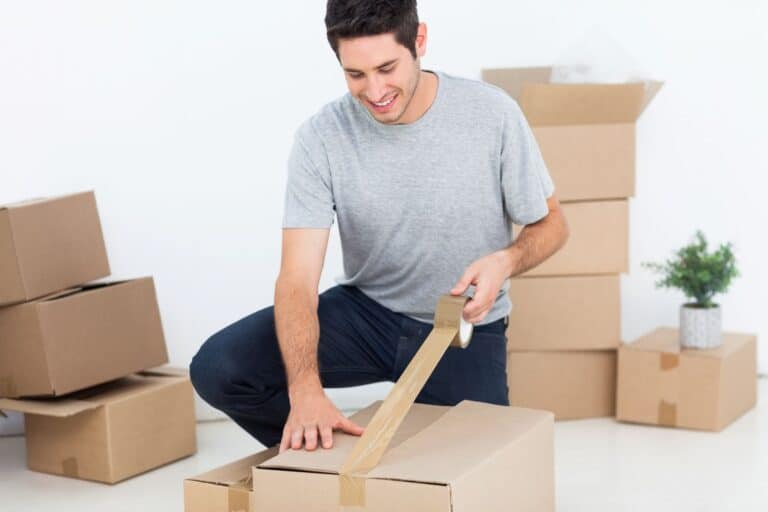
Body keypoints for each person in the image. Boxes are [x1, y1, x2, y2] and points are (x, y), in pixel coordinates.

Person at [190, 0, 569, 453]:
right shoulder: (321, 138)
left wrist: (505, 262)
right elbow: (296, 278)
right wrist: (305, 390)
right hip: (366, 314)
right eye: (356, 75)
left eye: (387, 67)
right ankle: (333, 463)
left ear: (419, 41)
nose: (375, 90)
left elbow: (552, 223)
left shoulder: (492, 114)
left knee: (480, 470)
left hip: (461, 328)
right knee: (219, 367)